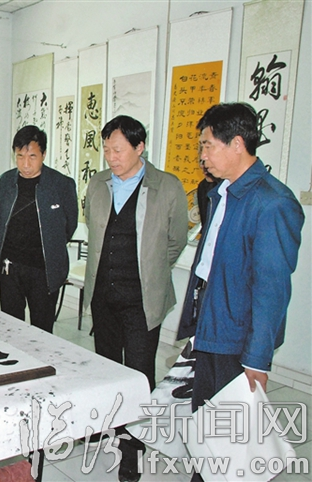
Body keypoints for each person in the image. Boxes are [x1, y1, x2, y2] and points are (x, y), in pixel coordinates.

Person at [177, 103, 304, 481]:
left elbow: (271, 289)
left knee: (230, 439)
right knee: (206, 426)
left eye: (207, 145)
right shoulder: (222, 192)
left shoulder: (272, 203)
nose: (202, 156)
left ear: (236, 144)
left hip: (236, 338)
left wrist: (257, 360)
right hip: (211, 325)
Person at [83, 115, 188, 482]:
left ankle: (134, 446)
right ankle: (110, 426)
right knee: (108, 367)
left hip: (142, 299)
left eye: (118, 150)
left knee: (140, 373)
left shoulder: (167, 187)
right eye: (106, 150)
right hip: (103, 295)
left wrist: (151, 269)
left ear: (139, 147)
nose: (111, 157)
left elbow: (176, 241)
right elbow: (95, 231)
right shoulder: (98, 184)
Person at [0, 125, 78, 334]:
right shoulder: (6, 181)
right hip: (10, 268)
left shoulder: (61, 184)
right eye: (20, 156)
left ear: (44, 154)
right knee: (11, 328)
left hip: (43, 270)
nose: (25, 164)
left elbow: (69, 226)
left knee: (42, 330)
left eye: (32, 156)